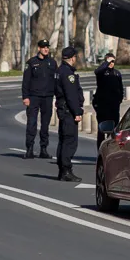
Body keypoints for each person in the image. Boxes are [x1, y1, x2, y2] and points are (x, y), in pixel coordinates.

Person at [21, 39, 57, 160]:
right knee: (31, 123)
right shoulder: (31, 63)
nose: (46, 49)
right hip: (34, 97)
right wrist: (25, 97)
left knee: (45, 125)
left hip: (47, 97)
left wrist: (57, 96)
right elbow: (26, 81)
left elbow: (56, 81)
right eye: (43, 47)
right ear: (39, 49)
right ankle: (29, 148)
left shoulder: (52, 63)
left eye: (47, 47)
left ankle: (43, 149)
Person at [54, 46, 84, 182]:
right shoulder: (68, 74)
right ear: (72, 58)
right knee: (70, 142)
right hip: (68, 111)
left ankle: (62, 170)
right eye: (75, 57)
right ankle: (66, 170)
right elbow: (71, 95)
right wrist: (77, 112)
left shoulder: (60, 71)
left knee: (63, 140)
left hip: (63, 110)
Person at [93, 52, 124, 149]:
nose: (111, 63)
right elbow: (97, 71)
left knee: (114, 129)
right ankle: (100, 150)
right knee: (102, 129)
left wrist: (120, 99)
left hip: (114, 105)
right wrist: (106, 63)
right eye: (109, 61)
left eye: (113, 61)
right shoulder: (102, 72)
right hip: (102, 105)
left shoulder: (117, 73)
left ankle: (111, 149)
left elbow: (121, 88)